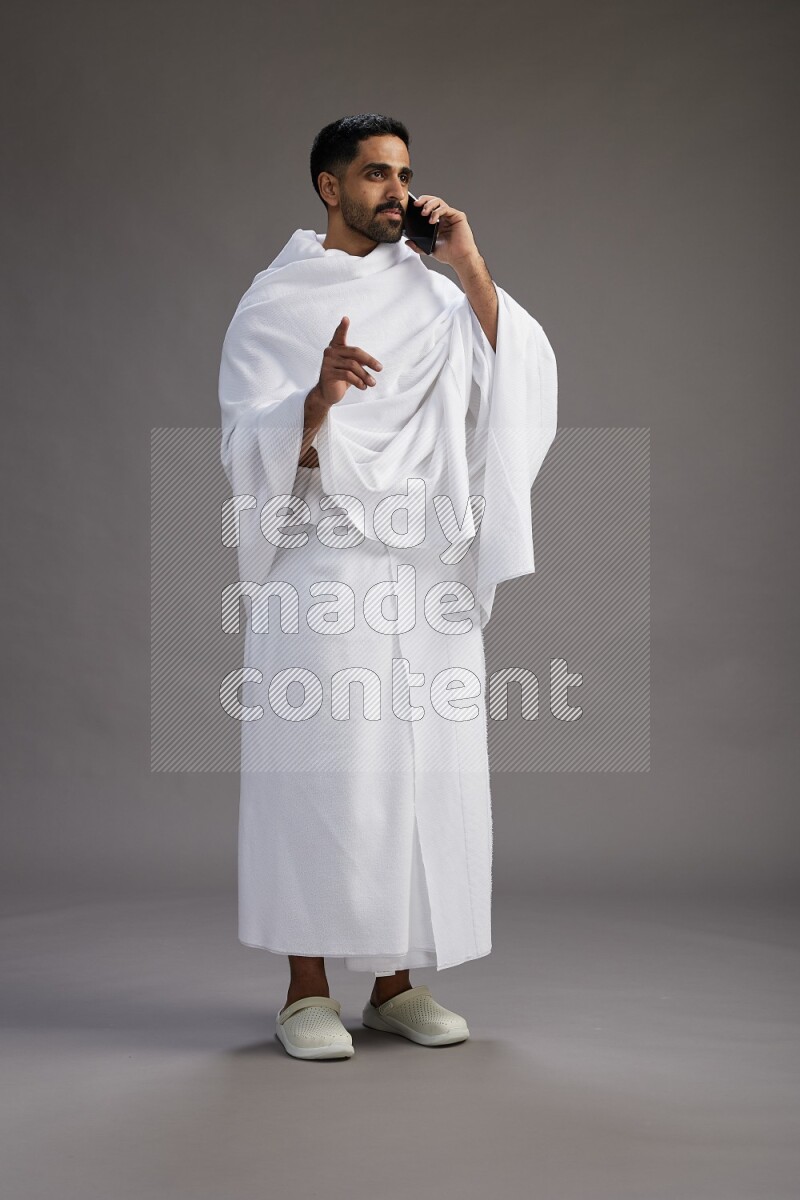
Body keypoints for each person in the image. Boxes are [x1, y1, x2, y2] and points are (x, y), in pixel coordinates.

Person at [218, 114, 558, 1060]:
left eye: (404, 173)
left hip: (425, 573)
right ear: (329, 187)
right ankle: (305, 993)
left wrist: (470, 264)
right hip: (323, 569)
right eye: (374, 174)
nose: (396, 192)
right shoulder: (276, 305)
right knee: (323, 776)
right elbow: (243, 441)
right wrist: (314, 402)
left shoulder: (438, 296)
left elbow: (514, 384)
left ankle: (397, 986)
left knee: (420, 777)